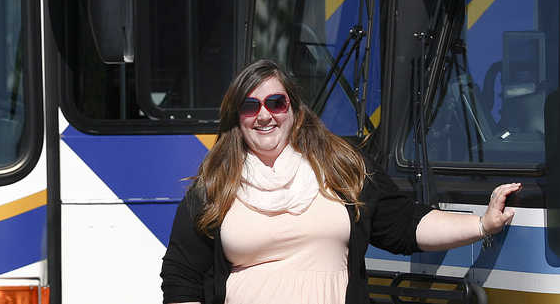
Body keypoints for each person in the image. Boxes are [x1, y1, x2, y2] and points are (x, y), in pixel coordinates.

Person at [160, 59, 520, 304]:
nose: (264, 115)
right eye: (250, 106)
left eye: (275, 102)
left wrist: (481, 224)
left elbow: (404, 225)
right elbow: (181, 276)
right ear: (238, 119)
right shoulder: (214, 187)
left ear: (296, 113)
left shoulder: (341, 169)